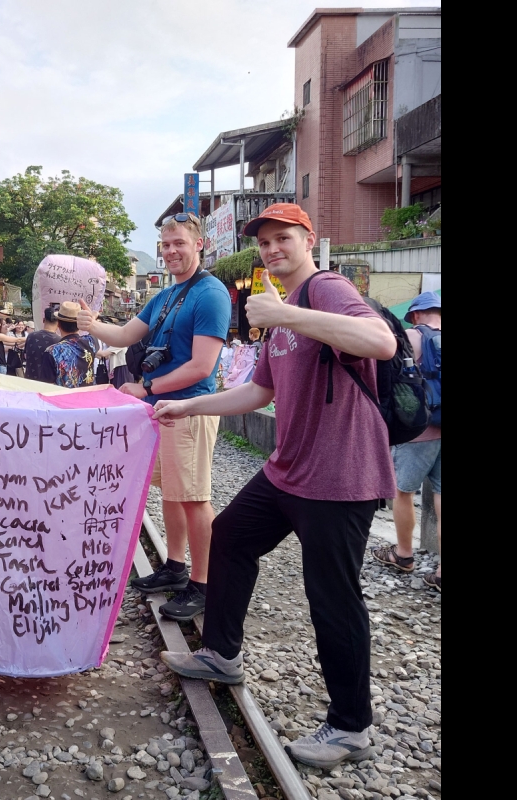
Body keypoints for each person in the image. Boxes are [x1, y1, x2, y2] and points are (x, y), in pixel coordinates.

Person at [154, 204, 397, 770]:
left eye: (283, 238)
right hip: (289, 468)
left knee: (332, 598)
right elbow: (256, 393)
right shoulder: (280, 312)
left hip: (340, 477)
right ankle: (220, 653)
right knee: (231, 535)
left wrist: (287, 316)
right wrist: (187, 407)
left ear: (308, 239)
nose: (271, 250)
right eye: (264, 242)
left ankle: (350, 727)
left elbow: (379, 342)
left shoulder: (325, 288)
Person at [77, 212, 230, 621]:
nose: (171, 251)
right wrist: (92, 324)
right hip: (162, 412)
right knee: (172, 493)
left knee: (195, 498)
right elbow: (126, 335)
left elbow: (202, 366)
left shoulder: (210, 294)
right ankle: (175, 568)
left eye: (179, 242)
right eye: (165, 245)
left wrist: (145, 388)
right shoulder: (164, 296)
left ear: (199, 244)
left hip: (190, 409)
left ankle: (204, 583)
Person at [372, 291, 441, 591]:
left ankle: (403, 554)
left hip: (418, 431)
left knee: (403, 492)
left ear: (414, 314)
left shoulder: (412, 336)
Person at [35, 302, 98, 388]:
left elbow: (46, 387)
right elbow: (95, 331)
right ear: (79, 325)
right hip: (88, 398)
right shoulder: (91, 342)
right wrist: (92, 319)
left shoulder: (52, 351)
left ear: (58, 324)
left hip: (63, 400)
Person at [24, 306, 61, 382]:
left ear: (44, 320)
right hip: (48, 386)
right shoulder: (60, 341)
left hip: (29, 382)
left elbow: (25, 356)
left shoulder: (31, 336)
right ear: (59, 323)